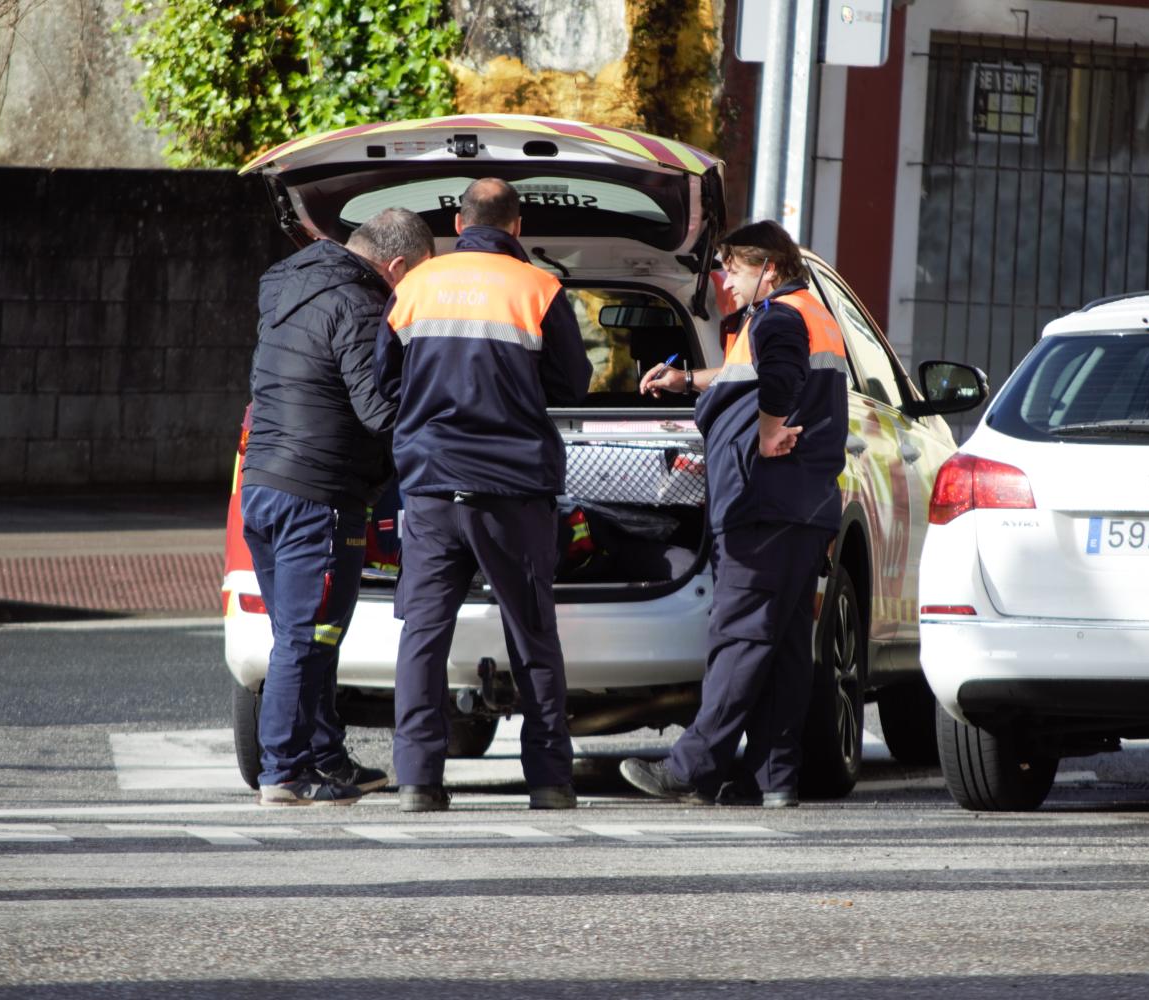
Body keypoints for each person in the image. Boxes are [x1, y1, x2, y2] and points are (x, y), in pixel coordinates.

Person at [376, 177, 593, 812]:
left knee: (423, 632)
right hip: (514, 490)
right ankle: (550, 781)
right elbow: (572, 385)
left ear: (457, 220)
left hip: (433, 489)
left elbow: (385, 382)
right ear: (517, 226)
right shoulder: (539, 288)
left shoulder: (416, 286)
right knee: (532, 634)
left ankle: (417, 779)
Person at [619, 219, 848, 808]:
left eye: (734, 268)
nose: (725, 280)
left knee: (741, 635)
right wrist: (686, 380)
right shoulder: (807, 315)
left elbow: (777, 377)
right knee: (784, 644)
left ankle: (690, 765)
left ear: (769, 267)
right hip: (804, 506)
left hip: (762, 504)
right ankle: (774, 779)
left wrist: (769, 432)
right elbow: (749, 373)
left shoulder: (777, 318)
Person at [241, 208, 435, 806]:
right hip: (317, 497)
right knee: (308, 638)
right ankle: (285, 772)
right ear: (396, 265)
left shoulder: (290, 287)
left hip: (263, 486)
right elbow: (379, 411)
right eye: (413, 282)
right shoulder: (358, 304)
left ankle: (326, 756)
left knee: (303, 634)